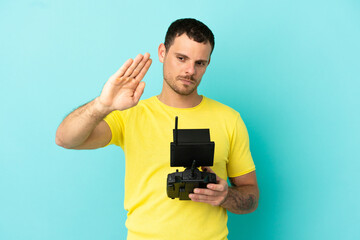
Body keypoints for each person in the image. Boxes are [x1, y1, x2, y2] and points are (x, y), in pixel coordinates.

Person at [56, 18, 259, 240]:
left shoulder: (229, 119)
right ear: (162, 52)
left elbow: (251, 197)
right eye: (181, 58)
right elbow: (65, 139)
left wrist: (225, 196)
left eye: (200, 63)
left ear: (208, 64)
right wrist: (101, 106)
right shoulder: (131, 114)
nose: (190, 71)